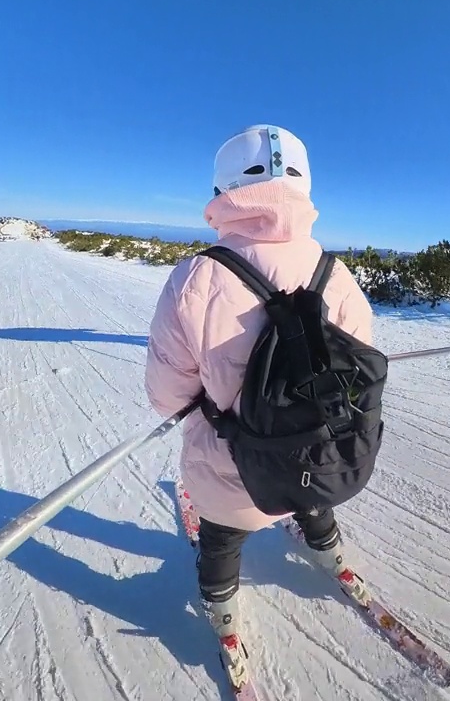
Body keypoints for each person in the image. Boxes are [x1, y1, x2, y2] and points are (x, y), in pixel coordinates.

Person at [144, 125, 376, 641]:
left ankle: (222, 610)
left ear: (223, 191)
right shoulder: (335, 275)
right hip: (320, 457)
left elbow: (167, 395)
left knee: (222, 534)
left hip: (235, 469)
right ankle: (327, 548)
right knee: (311, 495)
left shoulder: (193, 278)